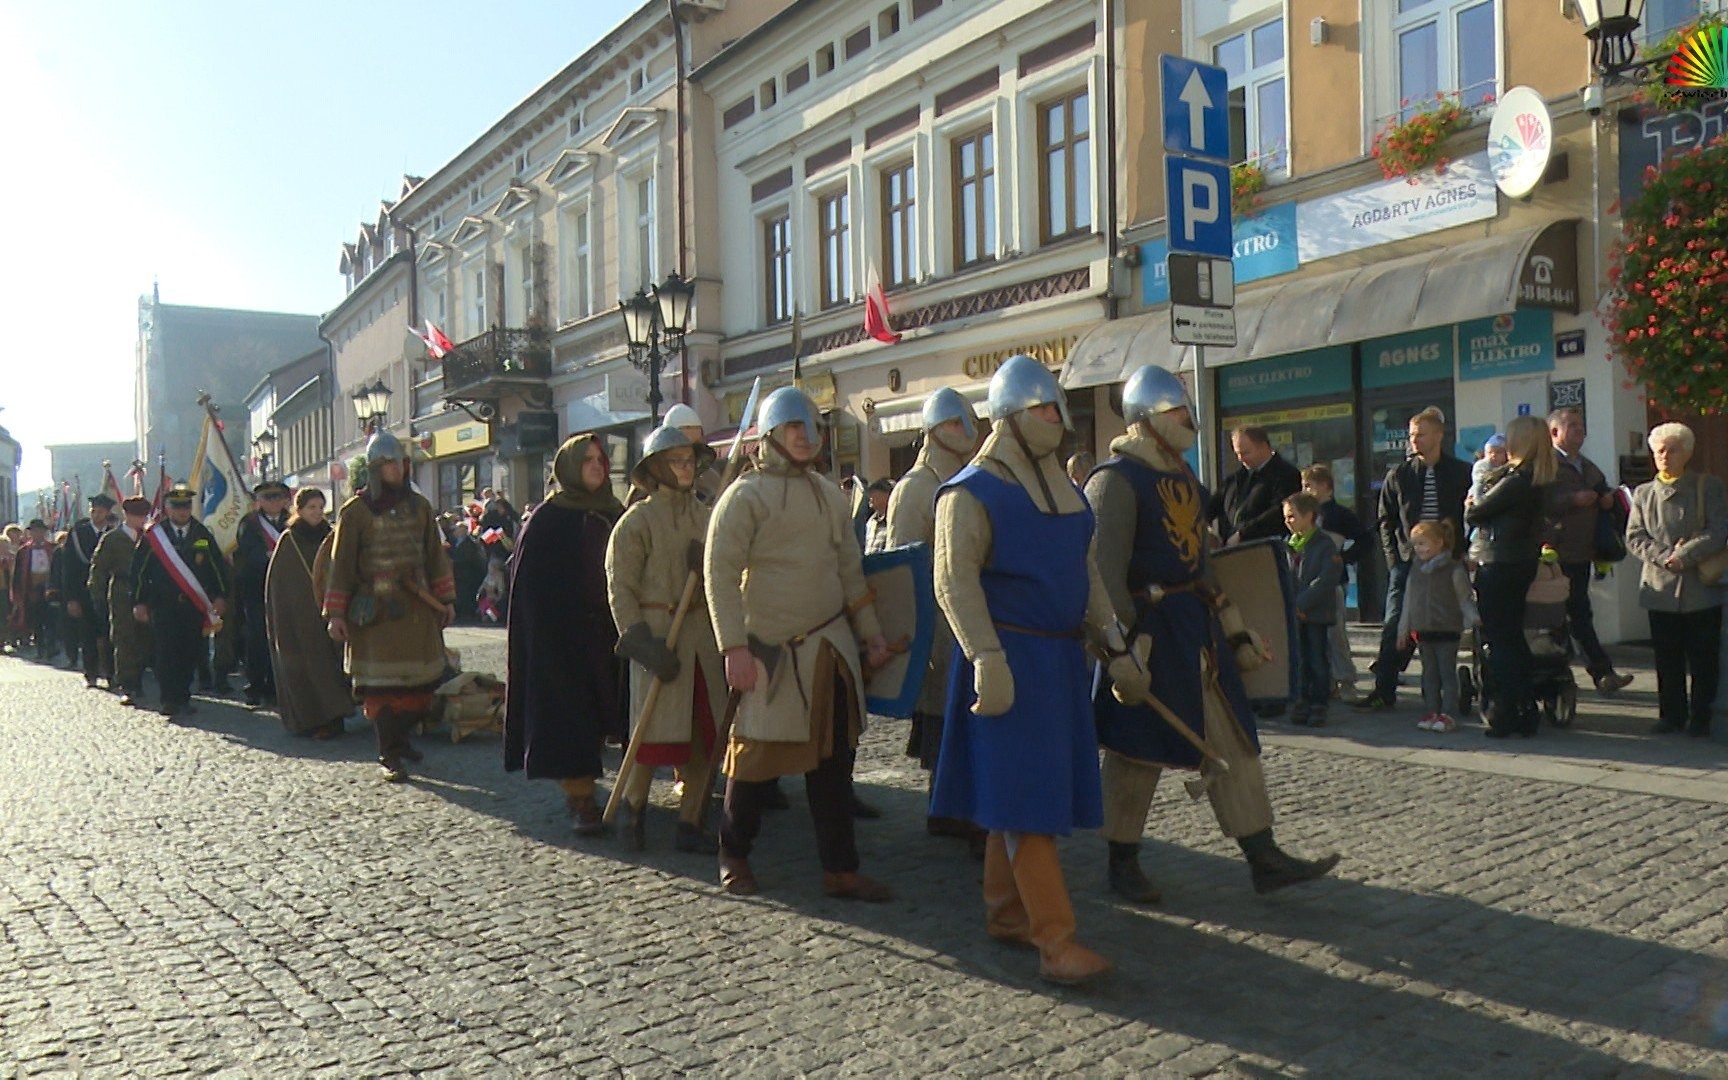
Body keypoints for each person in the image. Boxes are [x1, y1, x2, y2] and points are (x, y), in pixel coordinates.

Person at [1089, 365, 1340, 907]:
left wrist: (1235, 627)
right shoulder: (1115, 481)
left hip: (1196, 631)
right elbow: (1100, 574)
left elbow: (1203, 564)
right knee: (1136, 754)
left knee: (1233, 740)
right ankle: (1120, 860)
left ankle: (1263, 855)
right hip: (1146, 634)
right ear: (1149, 418)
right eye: (1179, 412)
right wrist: (1119, 649)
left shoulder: (1182, 477)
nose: (1189, 420)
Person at [936, 355, 1143, 986]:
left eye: (1058, 408)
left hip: (1058, 661)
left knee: (1023, 791)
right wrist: (985, 656)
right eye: (1043, 408)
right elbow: (953, 580)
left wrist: (1114, 643)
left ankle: (1006, 913)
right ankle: (1056, 942)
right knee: (1026, 801)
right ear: (1011, 416)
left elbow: (1085, 574)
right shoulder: (970, 491)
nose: (1056, 418)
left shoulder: (1066, 491)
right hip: (1009, 659)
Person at [705, 386, 893, 902]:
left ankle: (840, 868)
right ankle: (733, 853)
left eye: (812, 428)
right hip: (770, 652)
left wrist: (871, 633)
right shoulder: (743, 497)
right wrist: (733, 648)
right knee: (753, 761)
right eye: (794, 427)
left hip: (830, 650)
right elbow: (719, 575)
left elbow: (850, 572)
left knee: (835, 765)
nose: (806, 437)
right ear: (771, 434)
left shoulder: (829, 494)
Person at [607, 425, 726, 852]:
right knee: (651, 734)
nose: (686, 468)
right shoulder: (636, 522)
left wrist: (707, 562)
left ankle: (691, 823)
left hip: (701, 638)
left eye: (690, 460)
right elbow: (620, 586)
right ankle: (632, 812)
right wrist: (639, 640)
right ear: (656, 468)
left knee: (703, 737)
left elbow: (725, 572)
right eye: (677, 461)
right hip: (659, 637)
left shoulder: (706, 517)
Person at [504, 433, 627, 833]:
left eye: (600, 459)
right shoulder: (548, 519)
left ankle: (636, 788)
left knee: (615, 710)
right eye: (587, 460)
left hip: (614, 632)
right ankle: (581, 797)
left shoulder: (615, 512)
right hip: (565, 638)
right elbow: (530, 589)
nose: (596, 466)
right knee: (573, 720)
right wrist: (548, 639)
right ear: (570, 468)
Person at [324, 432, 457, 782]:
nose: (396, 469)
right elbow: (340, 566)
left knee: (421, 686)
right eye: (388, 464)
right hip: (375, 614)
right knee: (383, 689)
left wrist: (446, 599)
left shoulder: (420, 507)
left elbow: (435, 557)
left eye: (399, 463)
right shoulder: (355, 512)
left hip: (417, 610)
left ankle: (401, 740)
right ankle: (390, 751)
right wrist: (336, 613)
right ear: (374, 469)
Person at [886, 386, 983, 849]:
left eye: (966, 422)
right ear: (933, 429)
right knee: (945, 718)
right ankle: (947, 809)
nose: (963, 431)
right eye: (953, 423)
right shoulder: (915, 488)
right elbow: (901, 568)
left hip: (968, 614)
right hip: (938, 624)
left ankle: (951, 808)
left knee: (965, 713)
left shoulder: (969, 479)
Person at [1358, 407, 1472, 712]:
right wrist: (1394, 558)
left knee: (1445, 621)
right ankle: (1384, 689)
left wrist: (1463, 551)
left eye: (1421, 434)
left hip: (1447, 560)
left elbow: (1471, 514)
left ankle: (1451, 690)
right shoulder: (1400, 475)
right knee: (1396, 621)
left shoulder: (1461, 472)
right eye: (1411, 435)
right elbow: (1386, 520)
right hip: (1410, 560)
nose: (1414, 440)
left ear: (1439, 435)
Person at [1625, 423, 1727, 737]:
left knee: (1703, 657)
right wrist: (1665, 556)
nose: (1665, 456)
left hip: (1701, 588)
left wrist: (1686, 555)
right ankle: (1671, 714)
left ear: (1688, 452)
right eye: (1659, 451)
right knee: (1667, 657)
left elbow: (1718, 530)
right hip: (1660, 588)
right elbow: (1634, 536)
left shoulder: (1707, 487)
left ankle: (1701, 716)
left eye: (1672, 450)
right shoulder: (1644, 494)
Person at [1464, 414, 1556, 738]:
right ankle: (1524, 707)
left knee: (1500, 639)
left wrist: (1472, 503)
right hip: (1520, 560)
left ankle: (1508, 709)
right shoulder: (1537, 476)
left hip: (1499, 561)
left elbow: (1475, 512)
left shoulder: (1518, 478)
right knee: (1513, 636)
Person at [1544, 408, 1634, 696]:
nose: (1579, 431)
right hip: (1552, 554)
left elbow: (1605, 491)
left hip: (1582, 552)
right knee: (1559, 616)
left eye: (1581, 426)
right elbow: (1539, 501)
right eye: (1572, 426)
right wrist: (1572, 499)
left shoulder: (1588, 466)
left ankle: (1600, 673)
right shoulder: (1545, 464)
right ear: (1554, 432)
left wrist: (1607, 499)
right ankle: (1574, 675)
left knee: (1579, 614)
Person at [130, 484, 229, 718]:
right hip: (164, 605)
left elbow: (216, 567)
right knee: (166, 653)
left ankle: (183, 697)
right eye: (177, 506)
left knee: (189, 652)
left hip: (193, 606)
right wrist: (139, 601)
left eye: (186, 506)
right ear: (167, 508)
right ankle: (169, 699)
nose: (182, 511)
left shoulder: (202, 534)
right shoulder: (155, 536)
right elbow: (139, 572)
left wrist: (220, 596)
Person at [267, 488, 351, 739]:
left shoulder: (332, 536)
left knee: (333, 665)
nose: (317, 512)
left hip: (331, 611)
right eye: (311, 507)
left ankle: (337, 716)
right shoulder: (290, 540)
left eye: (320, 507)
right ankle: (312, 719)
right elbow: (280, 586)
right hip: (301, 615)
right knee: (308, 666)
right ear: (299, 510)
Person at [1396, 520, 1478, 734]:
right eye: (1415, 544)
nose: (1418, 549)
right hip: (1423, 630)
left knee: (1447, 673)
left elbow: (1464, 598)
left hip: (1447, 629)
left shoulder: (1453, 568)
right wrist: (1403, 630)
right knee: (1429, 674)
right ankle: (1431, 711)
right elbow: (1408, 601)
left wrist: (1474, 619)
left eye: (1422, 543)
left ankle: (1448, 713)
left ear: (1439, 543)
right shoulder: (1415, 569)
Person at [1301, 465, 1366, 701]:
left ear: (1325, 487)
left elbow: (1365, 539)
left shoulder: (1338, 515)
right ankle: (1326, 682)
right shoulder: (1304, 513)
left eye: (1310, 485)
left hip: (1334, 581)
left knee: (1336, 633)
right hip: (1309, 580)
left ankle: (1346, 679)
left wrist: (1345, 557)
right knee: (1316, 635)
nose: (1306, 490)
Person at [88, 497, 153, 706]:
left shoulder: (151, 538)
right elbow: (98, 568)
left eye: (143, 515)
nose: (140, 519)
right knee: (124, 639)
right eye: (136, 515)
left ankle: (139, 678)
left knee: (145, 639)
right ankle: (127, 685)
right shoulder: (113, 538)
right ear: (126, 514)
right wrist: (98, 597)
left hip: (147, 593)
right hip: (121, 592)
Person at [1285, 492, 1342, 728]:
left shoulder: (1324, 544)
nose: (1288, 521)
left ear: (1309, 516)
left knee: (1317, 658)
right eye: (1286, 517)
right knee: (1300, 660)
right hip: (1295, 615)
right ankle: (1301, 700)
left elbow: (1326, 579)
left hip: (1316, 613)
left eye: (1292, 516)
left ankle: (1319, 702)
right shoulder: (1288, 546)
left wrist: (1301, 604)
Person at [235, 480, 291, 707]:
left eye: (278, 497)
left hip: (286, 589)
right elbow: (249, 552)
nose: (274, 502)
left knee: (284, 638)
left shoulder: (292, 521)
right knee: (258, 638)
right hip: (256, 588)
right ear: (259, 501)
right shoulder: (249, 523)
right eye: (268, 498)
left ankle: (277, 687)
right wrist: (269, 557)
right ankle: (255, 685)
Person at [1207, 425, 1302, 546]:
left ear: (1263, 447)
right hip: (1233, 548)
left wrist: (1243, 534)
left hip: (1266, 547)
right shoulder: (1236, 479)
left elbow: (1278, 513)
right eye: (1237, 454)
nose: (1241, 459)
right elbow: (1212, 506)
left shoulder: (1286, 474)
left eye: (1246, 453)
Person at [63, 494, 117, 687]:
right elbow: (68, 568)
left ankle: (111, 674)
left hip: (108, 592)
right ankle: (91, 673)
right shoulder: (77, 534)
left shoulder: (114, 534)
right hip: (83, 592)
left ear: (108, 513)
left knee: (109, 635)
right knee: (88, 635)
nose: (96, 514)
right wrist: (71, 598)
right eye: (93, 510)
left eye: (100, 511)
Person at [8, 520, 54, 657]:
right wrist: (16, 594)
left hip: (49, 589)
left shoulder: (52, 548)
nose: (37, 534)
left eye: (40, 531)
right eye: (34, 531)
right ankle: (40, 648)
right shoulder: (23, 551)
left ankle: (51, 647)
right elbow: (17, 574)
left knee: (51, 620)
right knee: (36, 620)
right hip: (31, 589)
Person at [663, 402, 723, 505]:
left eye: (695, 444)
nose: (690, 451)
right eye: (684, 444)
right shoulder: (650, 482)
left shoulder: (711, 480)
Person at [448, 519, 487, 625]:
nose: (455, 531)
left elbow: (468, 558)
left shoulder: (470, 543)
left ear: (463, 530)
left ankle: (466, 613)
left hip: (466, 574)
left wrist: (454, 561)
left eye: (457, 529)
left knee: (465, 594)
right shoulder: (454, 542)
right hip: (457, 574)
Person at [862, 478, 894, 555]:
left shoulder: (894, 520)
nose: (870, 495)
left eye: (875, 491)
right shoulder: (871, 521)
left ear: (887, 495)